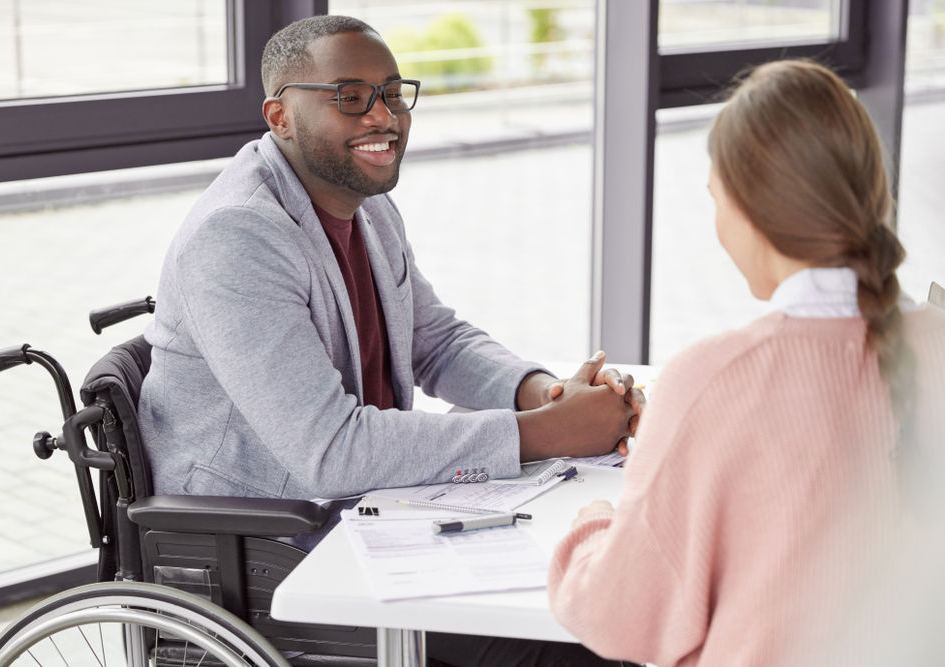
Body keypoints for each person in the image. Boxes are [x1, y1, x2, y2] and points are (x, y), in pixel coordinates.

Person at [139, 14, 642, 666]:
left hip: (373, 508)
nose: (385, 116)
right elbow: (331, 449)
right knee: (575, 639)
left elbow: (435, 340)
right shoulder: (237, 236)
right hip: (272, 540)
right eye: (351, 96)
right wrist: (548, 433)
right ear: (279, 116)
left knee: (596, 590)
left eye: (394, 92)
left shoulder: (365, 202)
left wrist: (544, 394)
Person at [547, 59, 945, 666]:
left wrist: (597, 522)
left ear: (749, 207)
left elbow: (617, 615)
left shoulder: (708, 380)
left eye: (715, 198)